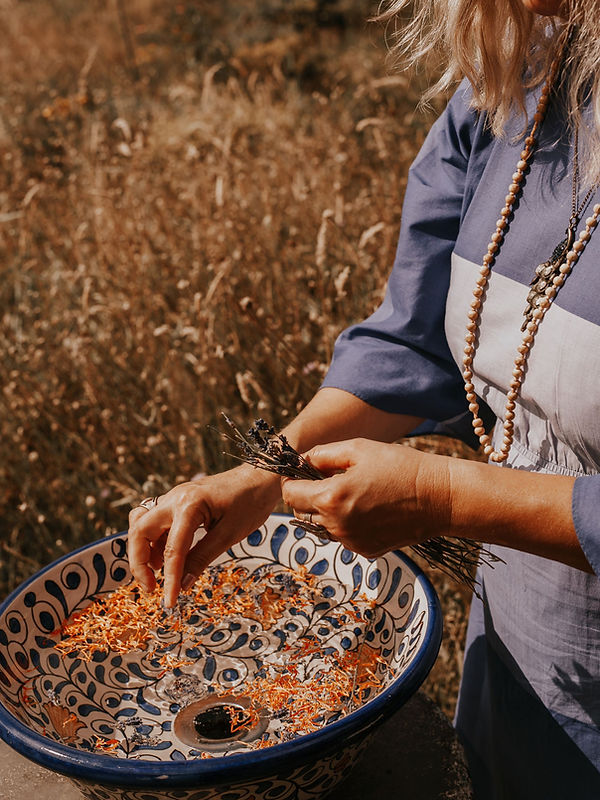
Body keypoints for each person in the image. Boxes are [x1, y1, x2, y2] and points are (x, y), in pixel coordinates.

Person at [128, 0, 600, 796]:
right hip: (522, 676)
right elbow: (414, 343)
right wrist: (270, 472)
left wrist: (443, 492)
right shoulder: (513, 85)